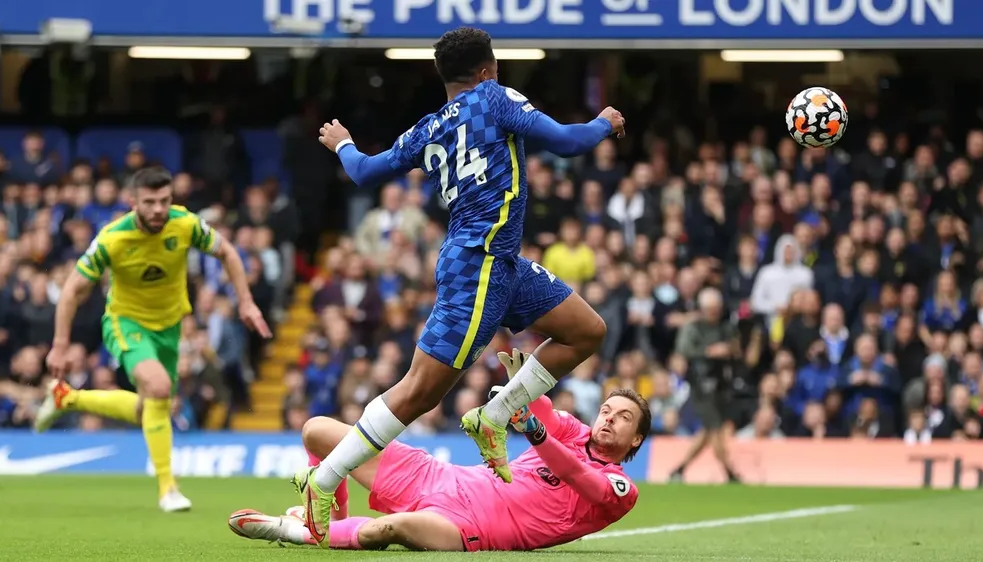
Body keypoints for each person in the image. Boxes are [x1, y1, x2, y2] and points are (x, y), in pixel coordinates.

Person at [303, 27, 623, 547]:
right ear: (487, 70)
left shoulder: (428, 127)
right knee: (419, 391)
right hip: (476, 268)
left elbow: (363, 172)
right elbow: (568, 143)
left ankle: (493, 415)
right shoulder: (494, 98)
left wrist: (343, 145)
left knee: (586, 330)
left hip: (504, 263)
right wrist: (604, 122)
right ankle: (326, 476)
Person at [231, 350, 644, 552]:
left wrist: (535, 432)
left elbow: (578, 476)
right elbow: (544, 412)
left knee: (384, 530)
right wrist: (525, 386)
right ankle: (327, 520)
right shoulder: (572, 431)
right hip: (443, 478)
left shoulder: (620, 488)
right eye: (606, 410)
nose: (609, 419)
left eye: (623, 417)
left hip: (471, 526)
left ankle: (292, 531)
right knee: (317, 431)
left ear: (637, 439)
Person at [34, 167, 272, 512]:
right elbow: (72, 290)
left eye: (164, 200)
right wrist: (59, 345)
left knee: (151, 408)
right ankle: (168, 489)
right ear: (133, 202)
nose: (159, 209)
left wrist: (246, 302)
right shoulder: (112, 238)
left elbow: (228, 253)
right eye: (150, 202)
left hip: (170, 327)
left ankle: (66, 398)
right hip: (126, 322)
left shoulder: (185, 223)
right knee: (159, 388)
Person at [667, 287, 742, 483]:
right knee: (715, 427)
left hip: (722, 384)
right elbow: (684, 350)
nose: (714, 312)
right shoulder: (693, 328)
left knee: (708, 431)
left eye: (717, 308)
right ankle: (730, 472)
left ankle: (679, 469)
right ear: (702, 309)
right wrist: (709, 352)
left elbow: (736, 348)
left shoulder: (726, 327)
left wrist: (729, 349)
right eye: (710, 309)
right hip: (700, 384)